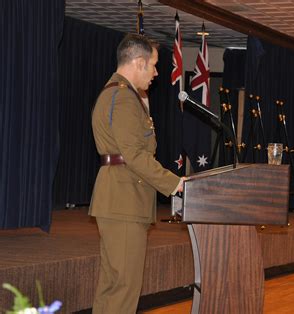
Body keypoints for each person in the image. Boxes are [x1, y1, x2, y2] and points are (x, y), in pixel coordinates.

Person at [89, 33, 184, 314]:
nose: (156, 73)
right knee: (124, 288)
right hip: (124, 200)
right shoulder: (123, 98)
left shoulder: (117, 93)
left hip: (120, 198)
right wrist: (176, 183)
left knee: (113, 285)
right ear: (139, 62)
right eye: (154, 65)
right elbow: (135, 155)